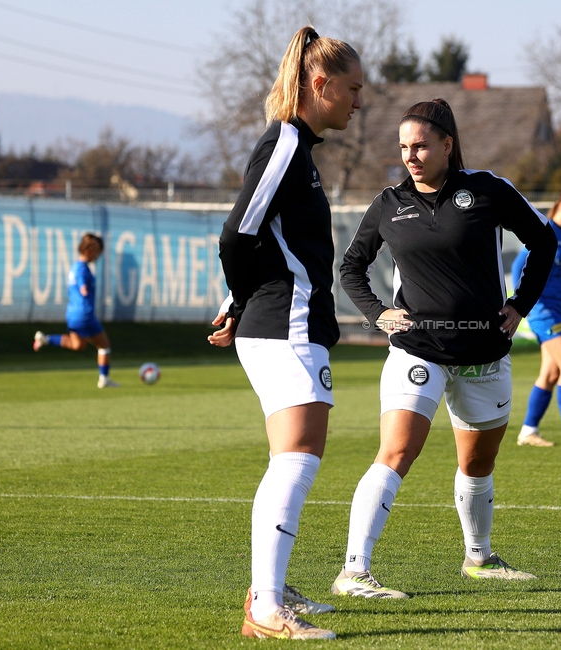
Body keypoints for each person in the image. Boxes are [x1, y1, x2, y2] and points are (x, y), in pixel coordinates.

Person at [334, 98, 557, 599]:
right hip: (417, 350)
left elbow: (544, 242)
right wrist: (378, 314)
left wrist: (520, 305)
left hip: (484, 353)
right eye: (403, 148)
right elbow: (351, 267)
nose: (410, 156)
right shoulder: (389, 203)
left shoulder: (488, 190)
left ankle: (478, 559)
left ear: (447, 145)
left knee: (478, 463)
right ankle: (354, 571)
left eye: (419, 146)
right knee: (396, 451)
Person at [207, 25, 363, 641]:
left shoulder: (302, 150)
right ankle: (266, 607)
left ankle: (269, 589)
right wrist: (243, 300)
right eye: (352, 88)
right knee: (299, 457)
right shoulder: (285, 145)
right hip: (285, 323)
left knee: (291, 457)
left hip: (285, 321)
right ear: (319, 84)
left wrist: (234, 301)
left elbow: (265, 241)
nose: (358, 101)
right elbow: (237, 232)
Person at [512, 186, 561, 449]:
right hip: (543, 311)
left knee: (551, 373)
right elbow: (518, 266)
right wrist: (520, 303)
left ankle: (528, 431)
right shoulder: (545, 231)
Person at [33, 233, 119, 389]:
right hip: (84, 314)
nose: (97, 255)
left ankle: (45, 339)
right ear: (88, 251)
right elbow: (81, 281)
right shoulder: (82, 269)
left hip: (73, 314)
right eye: (96, 251)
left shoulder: (74, 266)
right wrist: (83, 288)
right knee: (104, 346)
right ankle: (104, 379)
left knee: (78, 345)